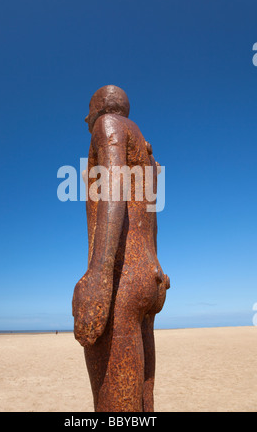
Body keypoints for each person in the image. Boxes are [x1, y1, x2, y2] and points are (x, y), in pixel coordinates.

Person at [72, 85, 170, 412]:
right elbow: (150, 215)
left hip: (121, 279)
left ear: (102, 106)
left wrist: (99, 274)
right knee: (142, 398)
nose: (86, 117)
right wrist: (156, 268)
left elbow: (112, 187)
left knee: (115, 403)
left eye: (89, 109)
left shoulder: (109, 125)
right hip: (149, 277)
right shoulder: (147, 151)